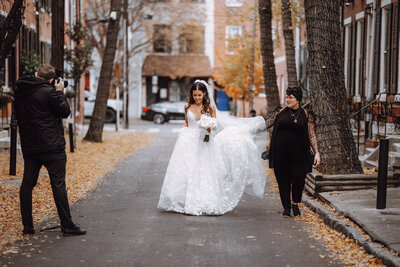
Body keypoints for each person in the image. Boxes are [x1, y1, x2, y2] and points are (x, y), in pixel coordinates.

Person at [157, 80, 267, 215]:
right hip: (188, 141)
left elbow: (212, 128)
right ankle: (185, 200)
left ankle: (203, 201)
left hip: (205, 142)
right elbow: (186, 123)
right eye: (195, 95)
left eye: (199, 95)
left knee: (203, 170)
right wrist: (181, 134)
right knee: (187, 169)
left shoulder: (210, 108)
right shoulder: (187, 106)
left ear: (204, 94)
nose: (197, 98)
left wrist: (208, 127)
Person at [14, 64, 86, 236]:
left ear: (36, 73)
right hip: (52, 147)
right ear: (52, 79)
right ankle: (67, 225)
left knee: (27, 184)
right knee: (58, 184)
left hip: (31, 146)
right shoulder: (49, 92)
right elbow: (65, 112)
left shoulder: (21, 92)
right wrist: (59, 92)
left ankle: (28, 226)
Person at [266, 87, 321, 217]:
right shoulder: (280, 112)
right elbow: (267, 123)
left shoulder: (306, 115)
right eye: (287, 97)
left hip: (299, 155)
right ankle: (286, 208)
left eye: (291, 98)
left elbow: (312, 134)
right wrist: (250, 129)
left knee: (298, 180)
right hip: (280, 154)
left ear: (298, 100)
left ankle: (295, 203)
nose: (288, 100)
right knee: (283, 181)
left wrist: (317, 152)